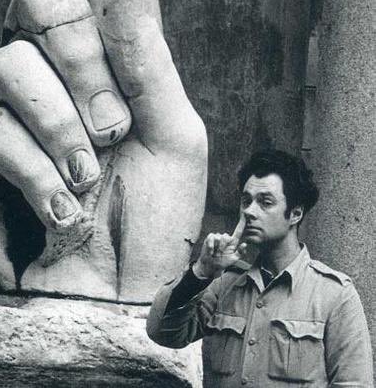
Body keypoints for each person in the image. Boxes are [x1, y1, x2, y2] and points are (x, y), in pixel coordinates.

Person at [147, 149, 374, 387]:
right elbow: (162, 333)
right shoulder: (224, 284)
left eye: (265, 202)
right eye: (246, 201)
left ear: (295, 213)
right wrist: (201, 271)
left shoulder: (334, 295)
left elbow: (354, 383)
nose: (249, 211)